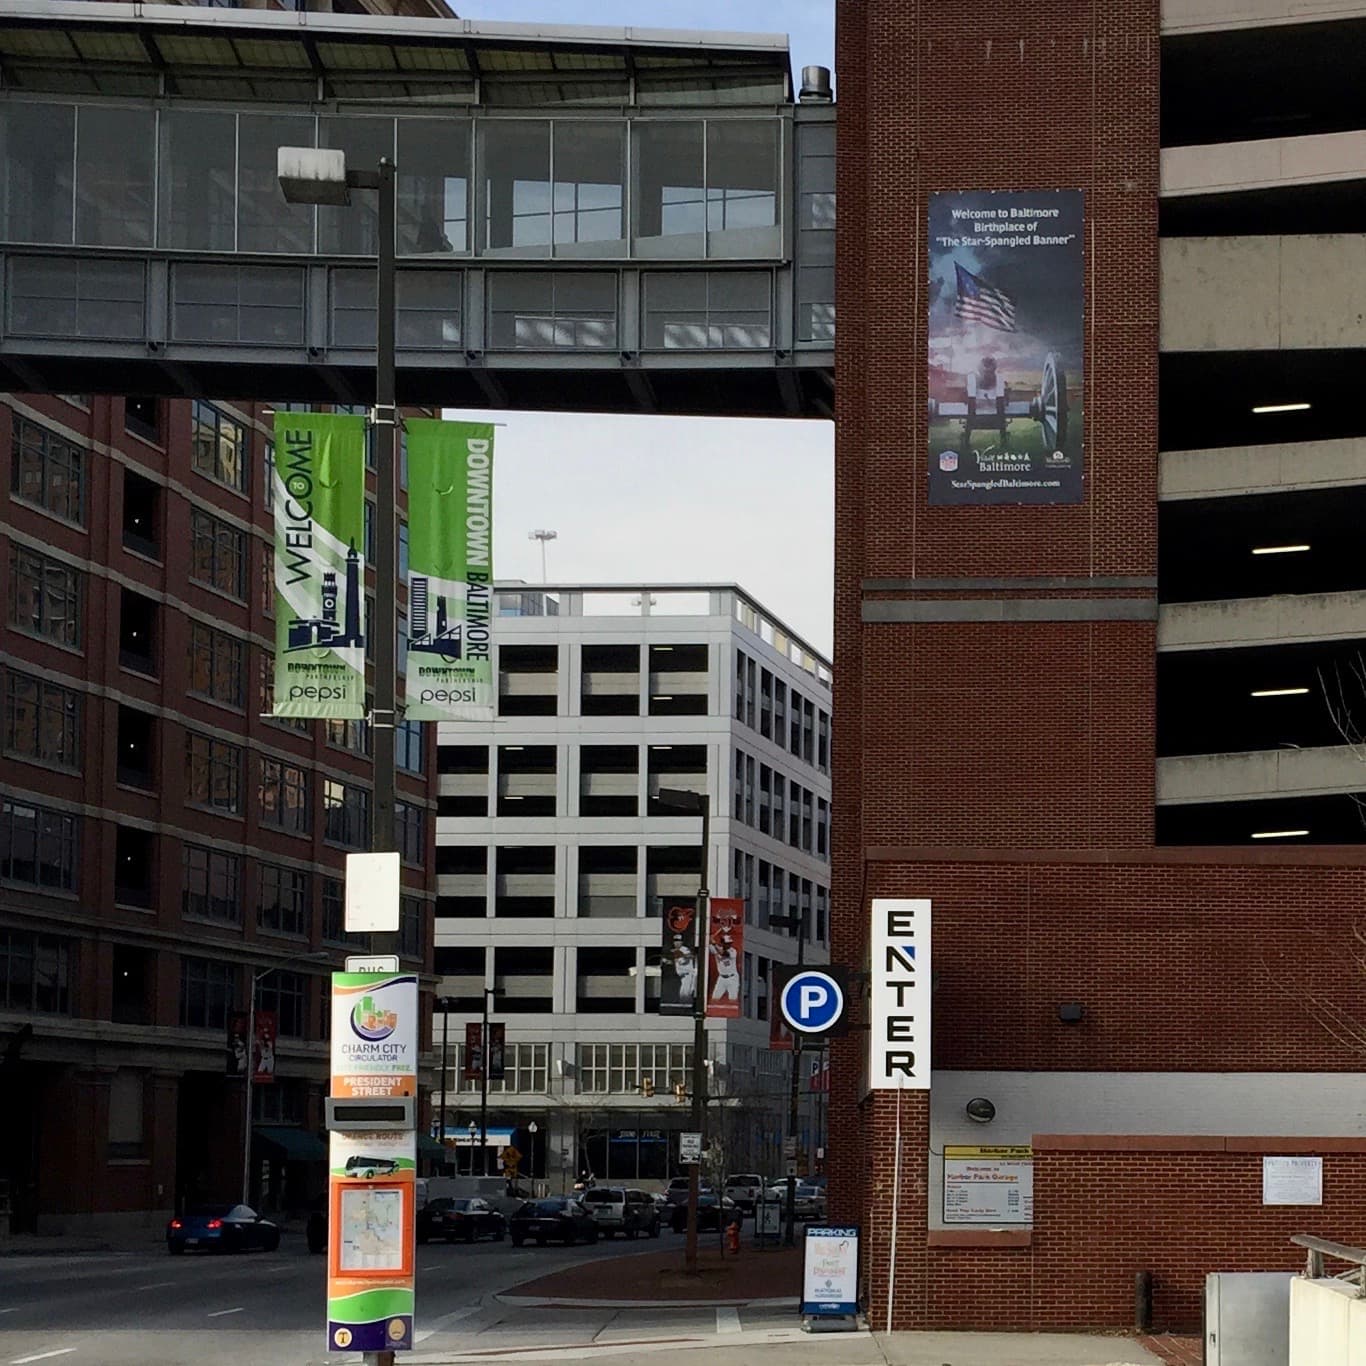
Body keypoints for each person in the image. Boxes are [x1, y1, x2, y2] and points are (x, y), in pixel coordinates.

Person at [710, 934, 740, 1004]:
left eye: (729, 943)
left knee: (733, 999)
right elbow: (706, 946)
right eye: (727, 943)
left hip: (732, 978)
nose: (729, 945)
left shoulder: (733, 951)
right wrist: (709, 938)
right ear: (722, 943)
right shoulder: (716, 948)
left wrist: (714, 944)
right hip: (721, 978)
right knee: (714, 999)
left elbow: (724, 953)